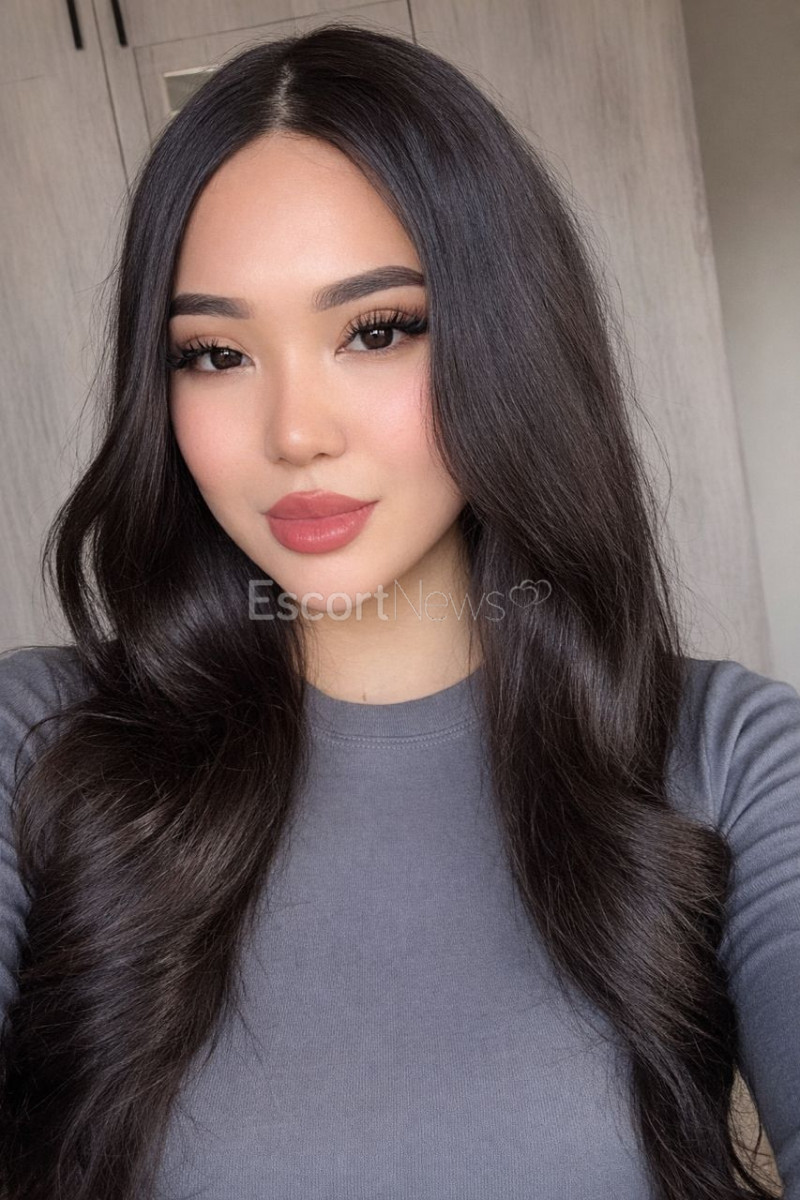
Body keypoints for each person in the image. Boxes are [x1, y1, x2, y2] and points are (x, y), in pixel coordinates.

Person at [0, 22, 797, 1200]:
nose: (293, 433)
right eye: (213, 354)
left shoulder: (730, 756)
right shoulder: (37, 740)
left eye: (376, 331)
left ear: (505, 341)